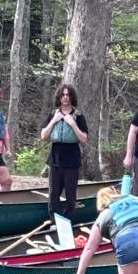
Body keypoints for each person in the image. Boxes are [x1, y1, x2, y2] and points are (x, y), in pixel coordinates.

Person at [40, 84, 88, 220]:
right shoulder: (52, 115)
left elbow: (84, 139)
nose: (65, 97)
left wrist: (72, 123)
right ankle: (53, 220)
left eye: (68, 95)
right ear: (59, 97)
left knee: (71, 194)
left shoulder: (78, 116)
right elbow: (43, 136)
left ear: (72, 97)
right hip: (55, 158)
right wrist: (54, 121)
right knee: (54, 193)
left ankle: (69, 220)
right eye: (63, 95)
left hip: (72, 159)